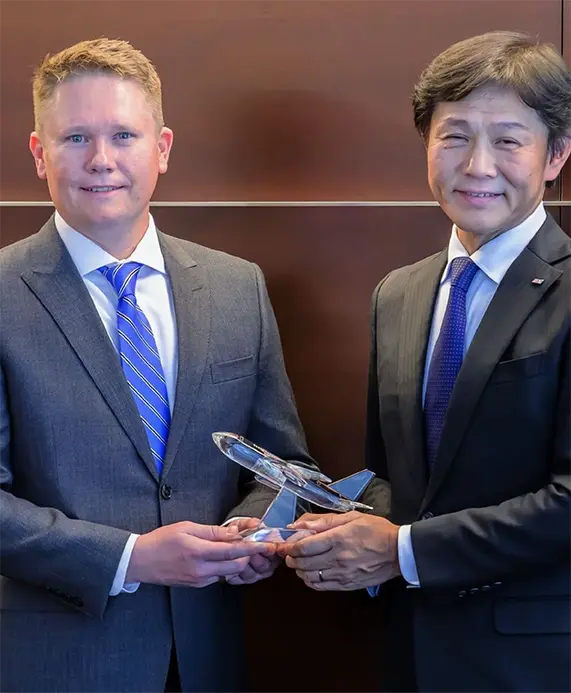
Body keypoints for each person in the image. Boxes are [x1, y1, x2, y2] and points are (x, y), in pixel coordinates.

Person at [0, 38, 312, 693]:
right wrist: (132, 556)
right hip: (57, 663)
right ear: (39, 154)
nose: (102, 159)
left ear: (162, 148)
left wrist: (260, 528)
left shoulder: (237, 287)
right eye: (75, 137)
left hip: (209, 656)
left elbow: (284, 464)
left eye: (123, 134)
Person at [281, 31, 571, 693]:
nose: (475, 165)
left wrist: (399, 550)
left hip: (535, 661)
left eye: (506, 140)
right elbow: (395, 479)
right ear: (426, 145)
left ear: (554, 155)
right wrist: (325, 525)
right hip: (408, 653)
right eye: (454, 135)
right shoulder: (399, 292)